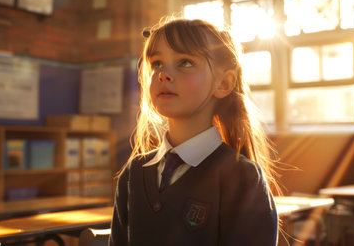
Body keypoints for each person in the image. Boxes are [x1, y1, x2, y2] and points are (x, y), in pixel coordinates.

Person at [109, 17, 279, 246]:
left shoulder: (241, 177)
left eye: (185, 63)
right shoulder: (133, 172)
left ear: (224, 84)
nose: (163, 74)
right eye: (157, 63)